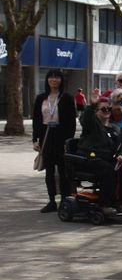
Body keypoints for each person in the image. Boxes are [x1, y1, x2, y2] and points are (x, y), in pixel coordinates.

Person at [77, 95, 122, 214]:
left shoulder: (115, 128)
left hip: (110, 159)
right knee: (108, 170)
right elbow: (85, 119)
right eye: (103, 109)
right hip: (91, 158)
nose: (107, 111)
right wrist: (91, 105)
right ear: (96, 112)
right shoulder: (91, 126)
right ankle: (105, 204)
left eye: (108, 109)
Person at [32, 69, 77, 212]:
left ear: (61, 80)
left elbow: (71, 122)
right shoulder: (41, 98)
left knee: (64, 170)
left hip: (62, 136)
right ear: (47, 80)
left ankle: (65, 199)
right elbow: (36, 120)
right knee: (49, 170)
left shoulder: (67, 98)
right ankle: (51, 201)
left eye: (57, 77)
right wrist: (35, 139)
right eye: (51, 77)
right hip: (46, 135)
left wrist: (68, 141)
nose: (54, 80)